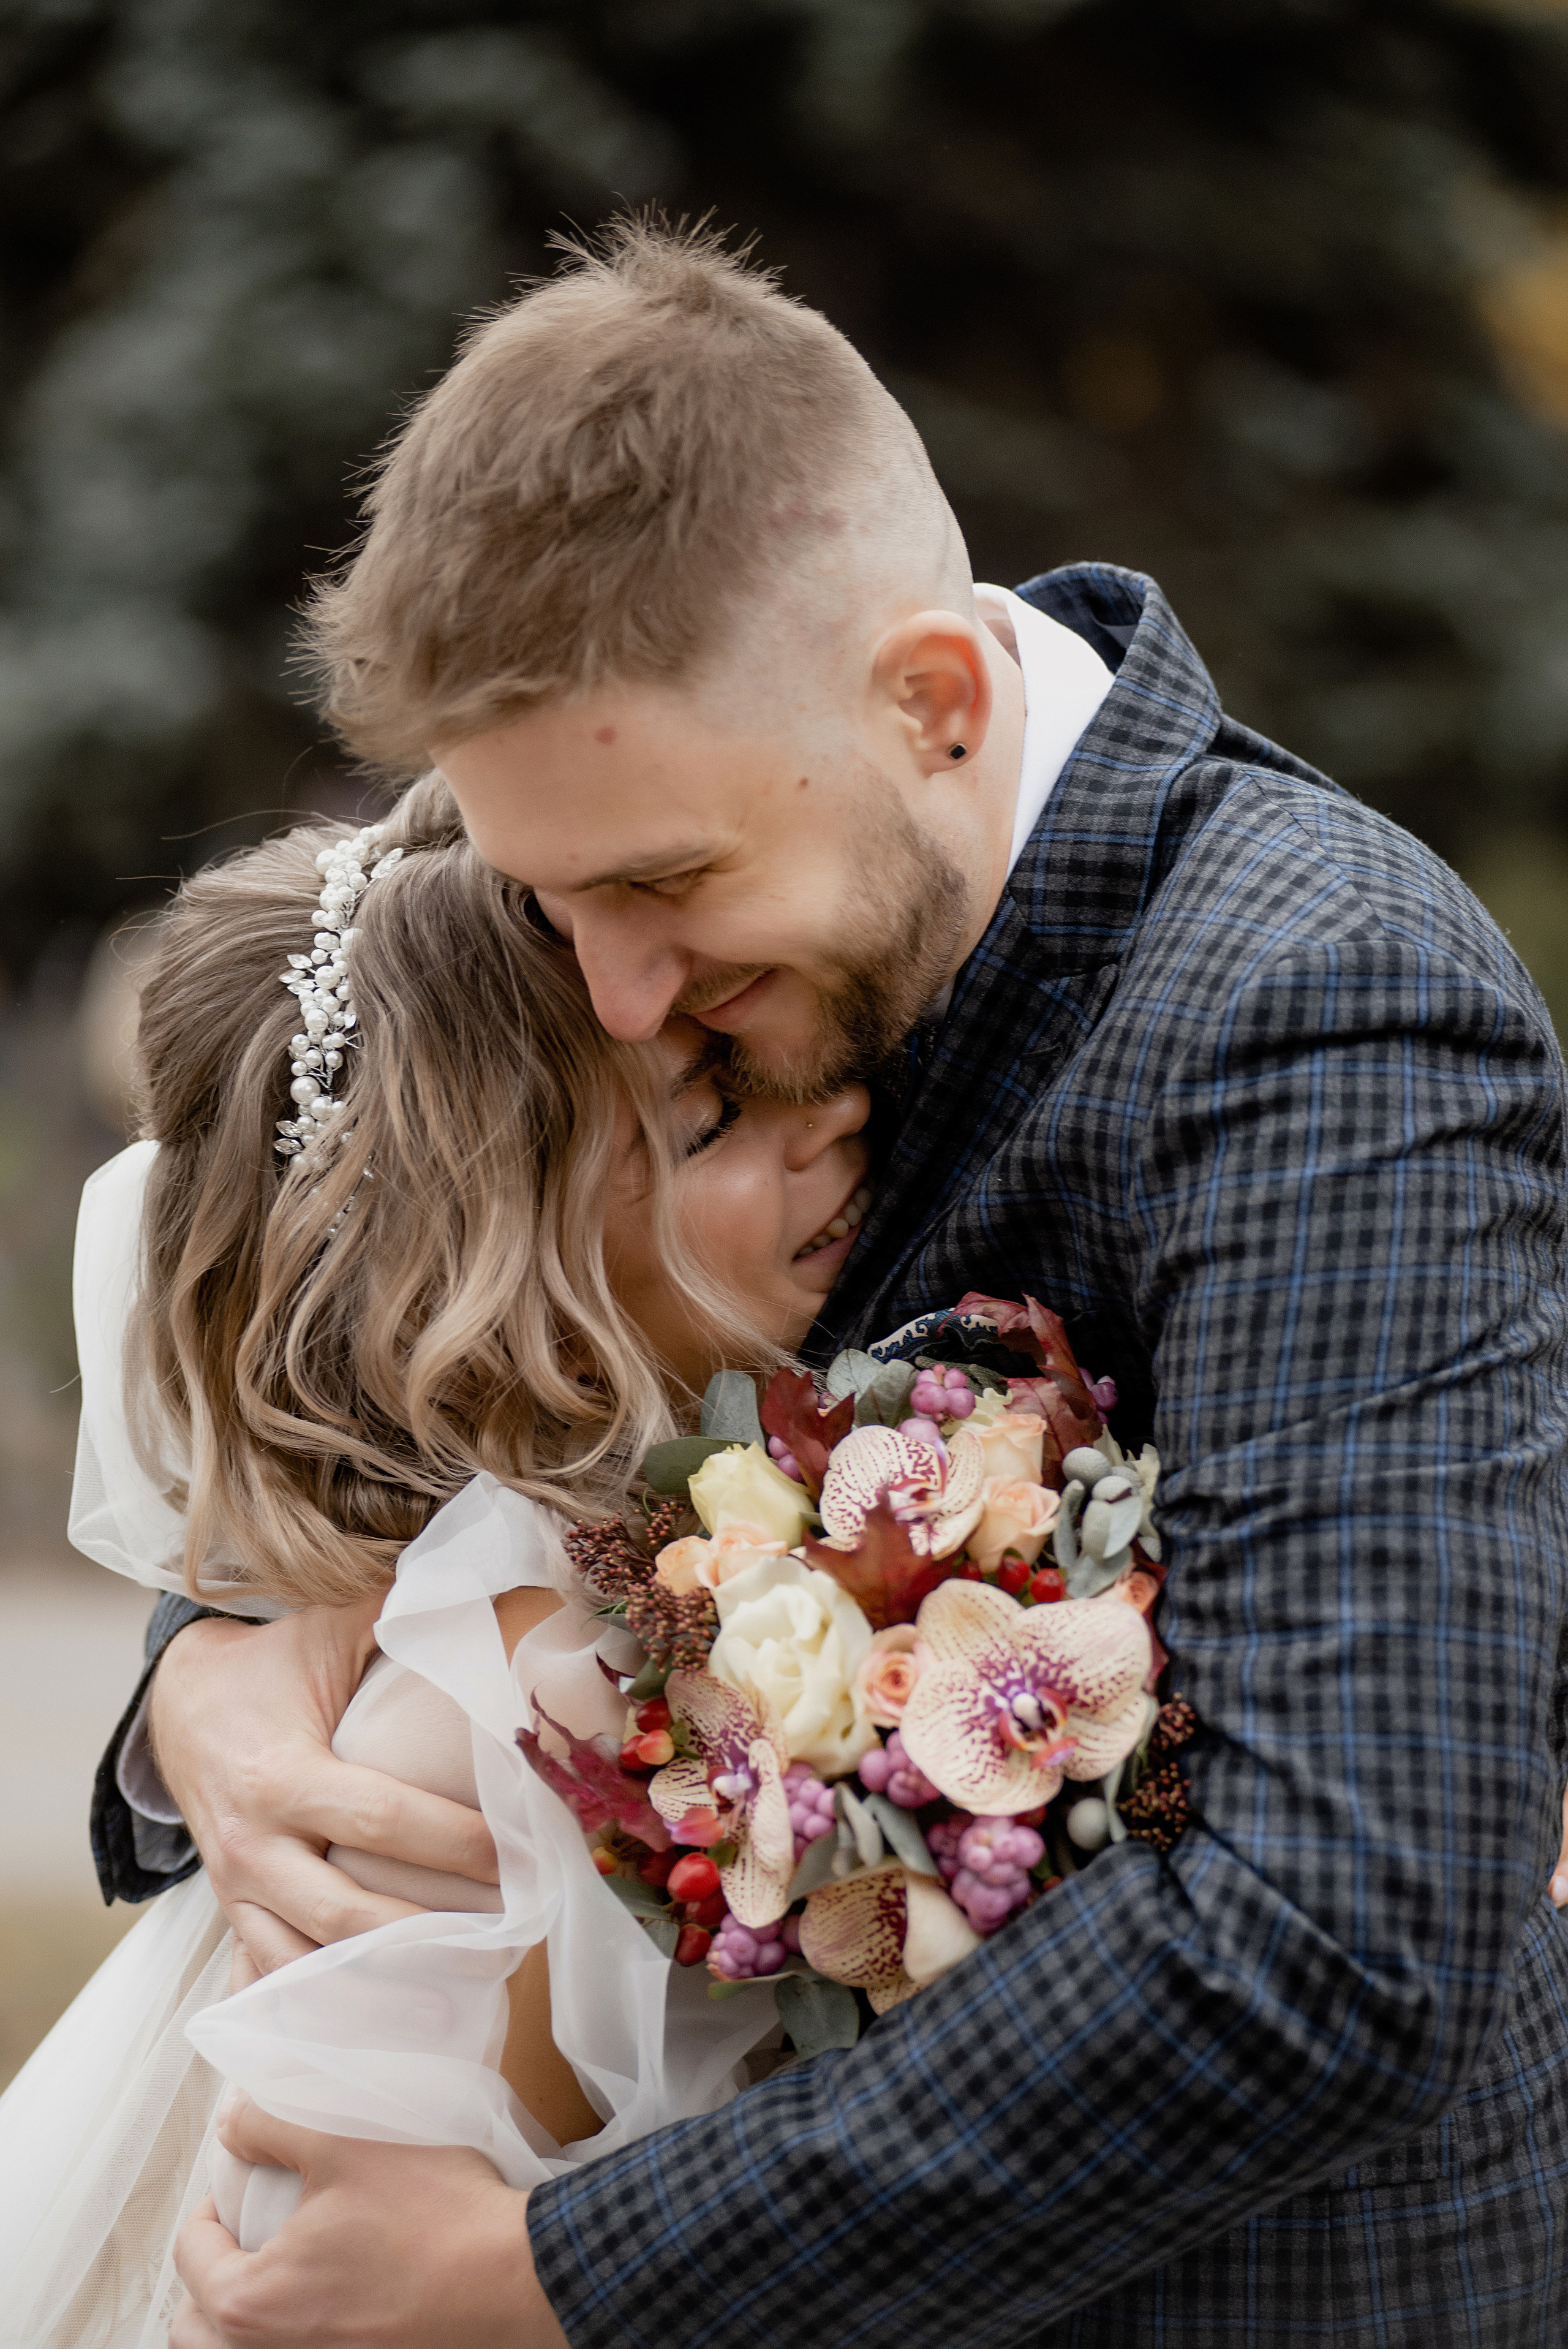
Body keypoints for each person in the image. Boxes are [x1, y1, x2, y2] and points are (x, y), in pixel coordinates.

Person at [109, 224, 1564, 2345]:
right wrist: (213, 1650)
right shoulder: (663, 794)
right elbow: (370, 1244)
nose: (607, 988)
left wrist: (551, 2279)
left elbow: (1330, 1935)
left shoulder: (1318, 1010)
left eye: (658, 894)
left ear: (935, 704)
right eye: (545, 897)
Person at [1, 775, 878, 2347]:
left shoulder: (647, 1567)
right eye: (713, 1117)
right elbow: (302, 2278)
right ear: (507, 1266)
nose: (836, 1110)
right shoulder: (517, 1688)